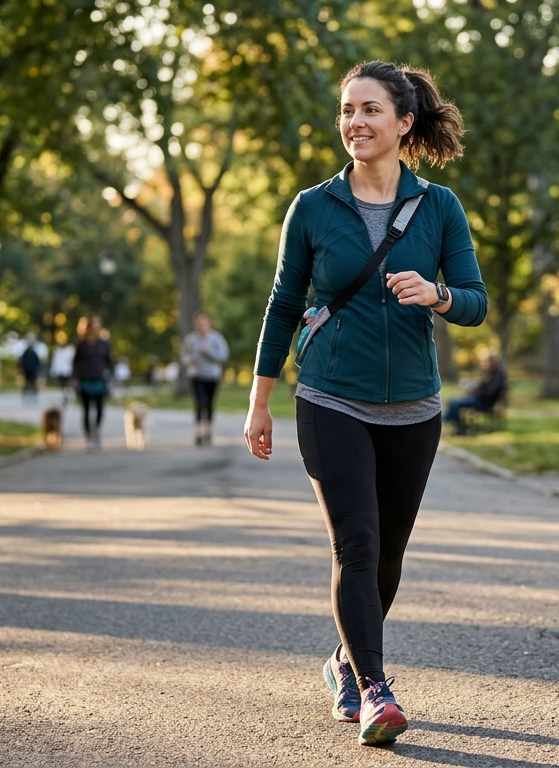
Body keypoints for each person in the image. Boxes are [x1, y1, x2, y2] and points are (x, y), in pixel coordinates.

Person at [243, 61, 486, 747]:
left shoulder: (440, 208)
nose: (355, 122)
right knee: (356, 544)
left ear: (404, 123)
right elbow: (284, 303)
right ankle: (376, 690)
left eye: (371, 109)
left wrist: (437, 294)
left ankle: (344, 663)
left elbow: (475, 300)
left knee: (388, 557)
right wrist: (259, 402)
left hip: (414, 406)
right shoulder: (314, 206)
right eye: (348, 110)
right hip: (330, 396)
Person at [181, 313, 229, 446]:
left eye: (204, 324)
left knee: (209, 404)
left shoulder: (216, 338)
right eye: (199, 324)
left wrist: (210, 352)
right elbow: (184, 355)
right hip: (196, 375)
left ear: (209, 324)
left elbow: (224, 355)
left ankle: (207, 431)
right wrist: (187, 360)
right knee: (199, 403)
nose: (201, 326)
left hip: (212, 375)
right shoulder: (191, 339)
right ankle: (198, 433)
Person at [71, 316, 113, 451]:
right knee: (86, 409)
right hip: (85, 380)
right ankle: (88, 437)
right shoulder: (81, 345)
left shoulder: (104, 344)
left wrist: (113, 377)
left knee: (100, 409)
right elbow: (75, 363)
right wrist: (73, 379)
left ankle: (96, 432)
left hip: (100, 379)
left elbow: (109, 361)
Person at [444, 354, 507, 435]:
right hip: (479, 399)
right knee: (453, 401)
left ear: (492, 362)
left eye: (487, 362)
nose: (485, 364)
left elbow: (489, 392)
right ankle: (454, 424)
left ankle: (457, 426)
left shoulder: (497, 376)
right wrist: (473, 391)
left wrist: (475, 393)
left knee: (455, 403)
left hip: (483, 402)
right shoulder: (490, 374)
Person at [19, 332, 42, 404]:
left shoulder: (35, 352)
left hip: (33, 370)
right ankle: (25, 397)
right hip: (27, 370)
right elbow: (22, 362)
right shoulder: (25, 352)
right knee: (26, 384)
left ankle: (34, 397)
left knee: (33, 384)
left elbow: (37, 362)